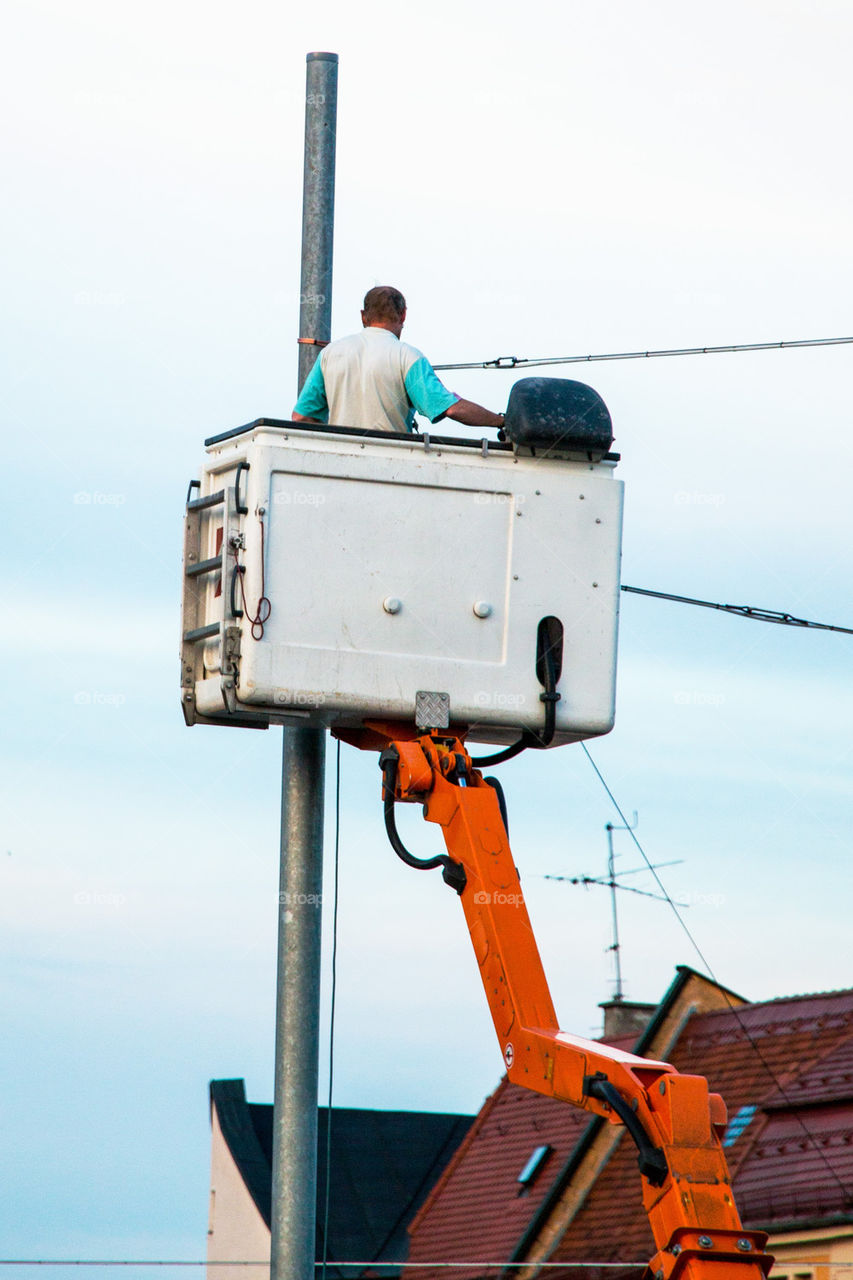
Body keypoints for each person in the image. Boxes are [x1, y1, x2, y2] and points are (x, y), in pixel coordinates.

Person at [292, 286, 505, 434]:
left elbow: (301, 417)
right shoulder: (408, 356)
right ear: (403, 315)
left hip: (340, 465)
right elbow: (451, 408)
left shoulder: (330, 354)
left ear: (363, 316)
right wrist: (501, 421)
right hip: (390, 465)